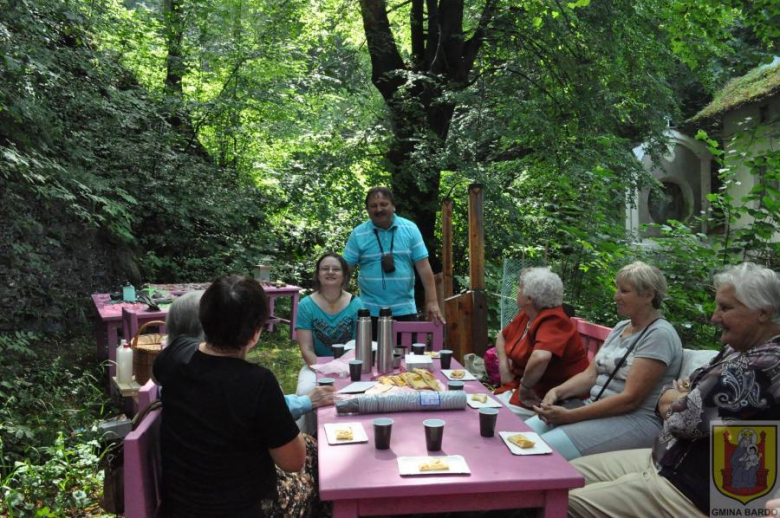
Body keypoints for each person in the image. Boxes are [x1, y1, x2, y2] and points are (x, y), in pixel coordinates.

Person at [567, 262, 780, 517]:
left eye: (725, 308)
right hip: (666, 456)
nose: (714, 317)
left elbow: (680, 419)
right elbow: (683, 391)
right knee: (563, 474)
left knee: (563, 499)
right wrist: (684, 395)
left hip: (695, 491)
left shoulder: (762, 365)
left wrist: (682, 396)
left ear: (763, 313)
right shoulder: (738, 349)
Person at [153, 275, 324, 517]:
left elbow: (159, 372)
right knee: (320, 472)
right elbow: (293, 462)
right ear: (255, 333)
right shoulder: (258, 382)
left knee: (312, 448)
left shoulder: (174, 357)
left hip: (180, 506)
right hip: (244, 509)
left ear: (204, 318)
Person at [525, 261, 683, 460]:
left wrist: (569, 416)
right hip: (596, 408)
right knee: (521, 435)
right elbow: (590, 375)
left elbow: (630, 400)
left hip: (633, 420)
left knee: (539, 450)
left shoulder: (659, 335)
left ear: (649, 295)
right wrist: (556, 392)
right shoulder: (621, 327)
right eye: (618, 289)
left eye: (624, 291)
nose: (616, 297)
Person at [160, 289, 334, 423]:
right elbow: (291, 455)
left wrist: (301, 400)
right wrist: (305, 402)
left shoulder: (168, 363)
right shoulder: (246, 380)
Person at [343, 186, 445, 331]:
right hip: (368, 312)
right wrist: (338, 304)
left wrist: (433, 302)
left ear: (393, 206)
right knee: (369, 353)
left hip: (405, 310)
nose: (379, 209)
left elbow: (424, 267)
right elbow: (346, 270)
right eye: (374, 206)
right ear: (367, 210)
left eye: (384, 204)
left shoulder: (410, 229)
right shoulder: (358, 234)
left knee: (407, 354)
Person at [493, 267, 589, 418]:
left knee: (488, 412)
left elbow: (540, 357)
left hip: (547, 398)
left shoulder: (554, 320)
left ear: (530, 298)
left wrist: (525, 387)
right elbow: (501, 336)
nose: (517, 289)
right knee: (481, 406)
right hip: (521, 389)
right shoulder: (527, 314)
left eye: (520, 287)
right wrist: (504, 368)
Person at [294, 252, 363, 432]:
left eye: (336, 269)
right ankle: (309, 439)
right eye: (325, 268)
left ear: (344, 275)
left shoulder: (357, 304)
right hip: (315, 366)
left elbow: (360, 345)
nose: (330, 272)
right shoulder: (306, 305)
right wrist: (325, 370)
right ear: (318, 274)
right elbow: (306, 348)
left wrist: (344, 369)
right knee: (304, 393)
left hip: (351, 367)